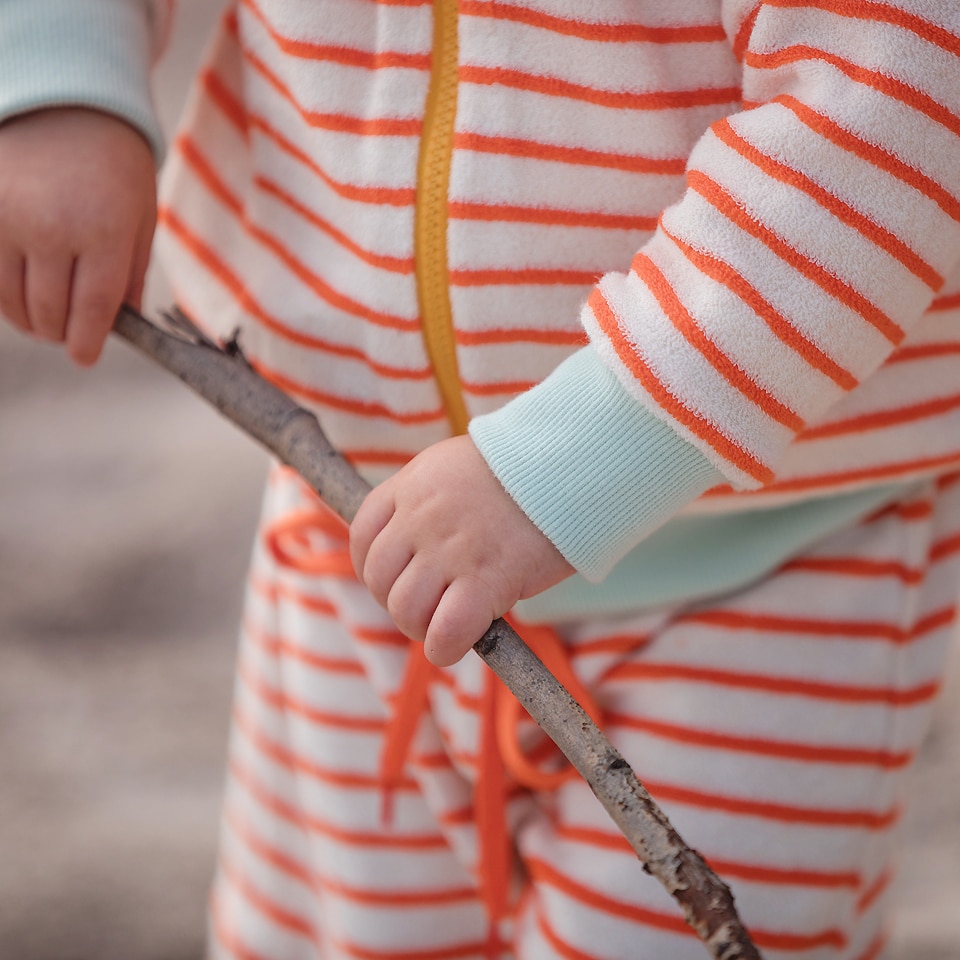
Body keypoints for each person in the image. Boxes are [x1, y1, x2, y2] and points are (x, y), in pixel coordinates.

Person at [3, 1, 960, 957]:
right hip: (356, 534)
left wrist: (587, 451)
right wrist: (58, 72)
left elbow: (893, 98)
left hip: (768, 565)